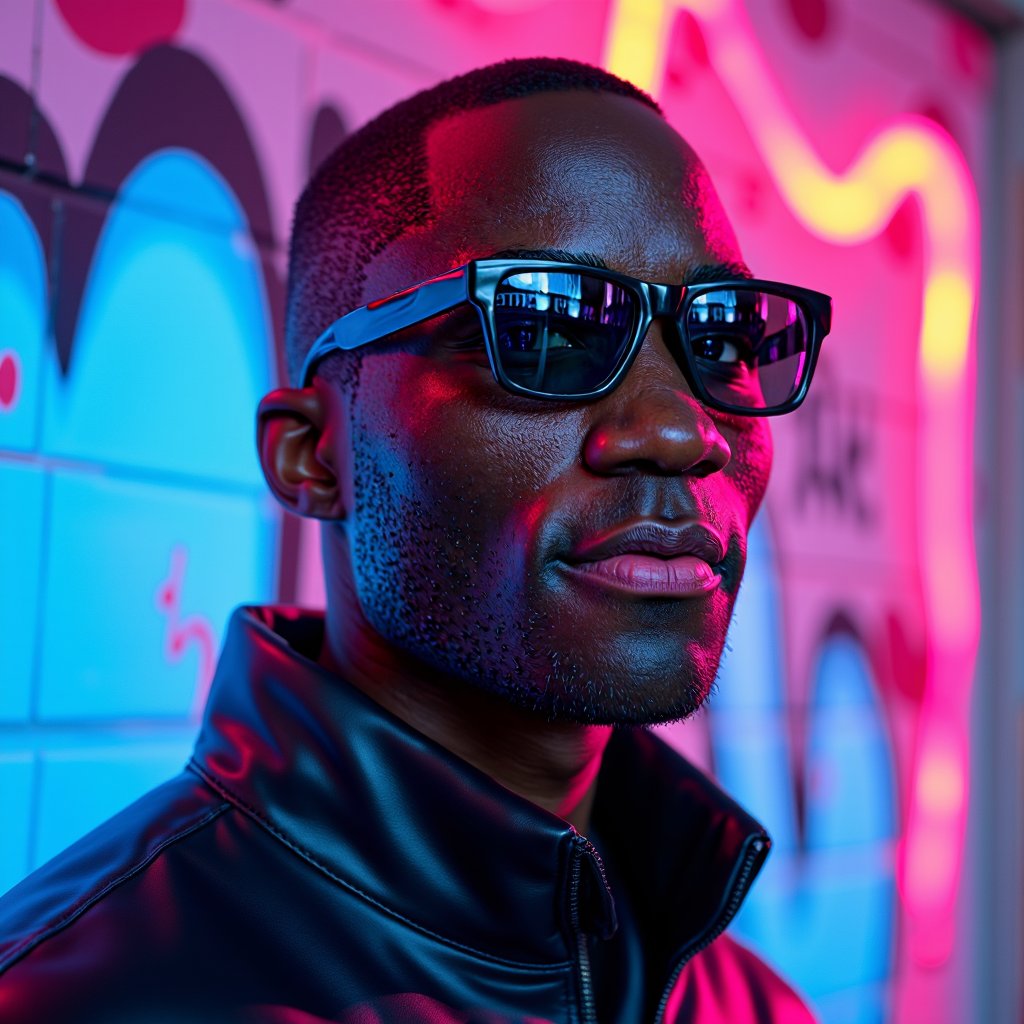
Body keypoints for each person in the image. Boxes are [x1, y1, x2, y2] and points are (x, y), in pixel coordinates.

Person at [0, 58, 830, 1023]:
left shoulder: (747, 1007)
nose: (683, 430)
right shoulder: (80, 997)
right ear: (314, 457)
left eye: (722, 341)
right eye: (547, 325)